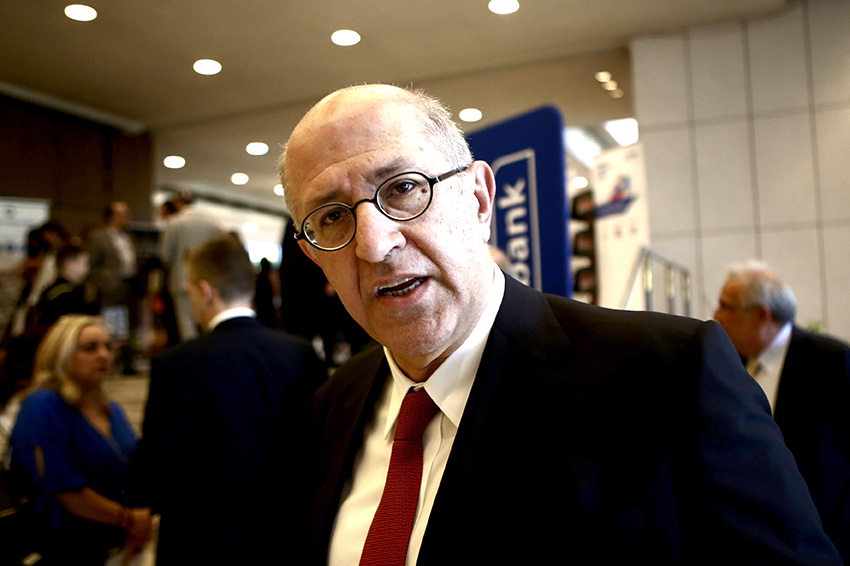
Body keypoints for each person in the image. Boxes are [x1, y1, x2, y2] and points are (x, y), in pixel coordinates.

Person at [279, 84, 842, 564]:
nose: (375, 245)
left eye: (404, 188)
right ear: (313, 257)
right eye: (332, 217)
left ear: (479, 200)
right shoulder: (330, 408)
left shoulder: (667, 377)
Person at [129, 234, 324, 565]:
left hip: (199, 539)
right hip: (282, 535)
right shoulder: (299, 354)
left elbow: (157, 461)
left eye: (190, 292)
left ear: (205, 290)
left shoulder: (176, 364)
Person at [714, 261, 850, 560]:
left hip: (824, 538)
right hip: (760, 535)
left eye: (726, 307)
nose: (716, 317)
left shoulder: (829, 361)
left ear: (761, 315)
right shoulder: (732, 363)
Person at [9, 315, 152, 564]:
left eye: (108, 347)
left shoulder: (111, 409)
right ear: (60, 355)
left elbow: (134, 467)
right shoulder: (43, 404)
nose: (104, 355)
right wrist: (128, 519)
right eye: (89, 348)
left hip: (119, 542)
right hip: (68, 546)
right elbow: (64, 488)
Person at [158, 191, 222, 342]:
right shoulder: (212, 224)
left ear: (178, 203)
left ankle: (192, 354)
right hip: (208, 279)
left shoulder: (174, 223)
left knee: (186, 324)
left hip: (182, 280)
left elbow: (165, 255)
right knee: (208, 320)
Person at [88, 201, 140, 374]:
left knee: (130, 325)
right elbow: (93, 265)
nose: (126, 218)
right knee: (112, 324)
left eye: (127, 214)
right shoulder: (99, 237)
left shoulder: (128, 237)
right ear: (110, 216)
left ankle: (128, 362)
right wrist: (104, 282)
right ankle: (110, 362)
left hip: (129, 284)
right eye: (121, 214)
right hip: (111, 286)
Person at [36, 242, 97, 326]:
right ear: (69, 265)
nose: (87, 269)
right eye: (85, 264)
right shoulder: (66, 296)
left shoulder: (51, 290)